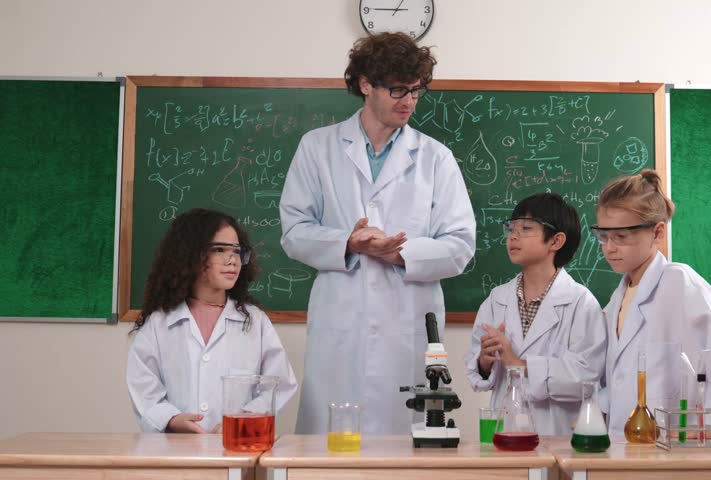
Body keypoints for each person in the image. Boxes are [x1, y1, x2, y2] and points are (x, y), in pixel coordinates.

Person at [279, 32, 476, 434]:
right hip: (341, 323)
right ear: (366, 84)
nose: (409, 102)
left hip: (407, 323)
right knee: (330, 447)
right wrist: (347, 243)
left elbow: (460, 244)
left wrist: (402, 255)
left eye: (417, 91)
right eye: (398, 90)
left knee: (406, 446)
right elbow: (294, 231)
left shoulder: (435, 157)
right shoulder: (317, 148)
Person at [593, 169, 711, 439]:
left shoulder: (679, 283)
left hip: (677, 448)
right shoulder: (618, 298)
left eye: (621, 237)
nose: (609, 247)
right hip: (627, 445)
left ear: (657, 232)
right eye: (603, 237)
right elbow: (621, 380)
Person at [126, 208, 297, 433]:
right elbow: (143, 385)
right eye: (219, 250)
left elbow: (279, 384)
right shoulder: (160, 323)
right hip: (175, 451)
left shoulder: (255, 322)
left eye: (237, 251)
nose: (232, 260)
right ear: (191, 255)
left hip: (237, 448)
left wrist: (242, 420)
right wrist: (172, 419)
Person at [464, 193, 606, 435]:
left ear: (556, 241)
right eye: (511, 228)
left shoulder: (580, 302)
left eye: (526, 228)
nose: (513, 236)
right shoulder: (497, 299)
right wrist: (484, 362)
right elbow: (476, 371)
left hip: (557, 432)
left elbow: (586, 377)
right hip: (505, 431)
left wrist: (519, 364)